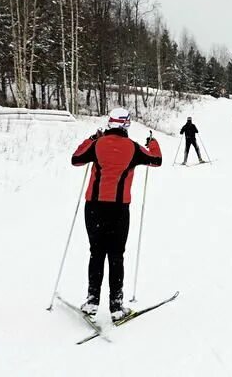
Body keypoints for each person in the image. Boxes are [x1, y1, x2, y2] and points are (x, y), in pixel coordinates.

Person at [71, 107, 162, 322]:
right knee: (116, 255)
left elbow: (76, 159)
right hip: (119, 209)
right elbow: (156, 159)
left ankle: (92, 301)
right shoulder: (133, 148)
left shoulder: (97, 144)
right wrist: (153, 142)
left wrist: (93, 137)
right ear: (126, 125)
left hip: (93, 207)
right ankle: (116, 306)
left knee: (96, 253)